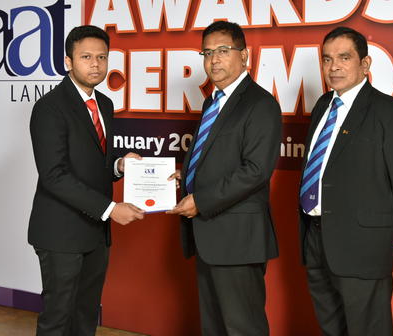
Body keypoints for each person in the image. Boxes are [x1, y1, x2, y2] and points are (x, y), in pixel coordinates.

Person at [299, 26, 393, 336]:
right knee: (331, 327)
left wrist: (382, 234)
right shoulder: (322, 107)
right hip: (316, 239)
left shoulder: (391, 113)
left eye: (344, 58)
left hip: (363, 246)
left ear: (365, 64)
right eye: (327, 59)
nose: (334, 67)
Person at [28, 25, 145, 336]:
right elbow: (54, 176)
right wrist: (111, 209)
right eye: (86, 57)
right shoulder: (49, 108)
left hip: (96, 233)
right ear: (68, 61)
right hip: (61, 233)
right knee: (57, 319)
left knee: (86, 315)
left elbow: (96, 163)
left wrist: (120, 165)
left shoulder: (104, 104)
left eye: (102, 57)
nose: (96, 64)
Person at [167, 21, 282, 336]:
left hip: (237, 239)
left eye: (222, 50)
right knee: (214, 326)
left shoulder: (260, 104)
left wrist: (201, 200)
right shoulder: (213, 101)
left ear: (244, 55)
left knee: (242, 328)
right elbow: (215, 156)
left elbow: (255, 170)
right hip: (208, 235)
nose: (213, 60)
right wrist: (185, 175)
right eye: (207, 53)